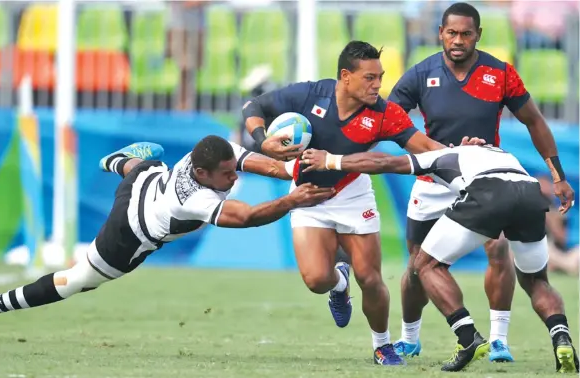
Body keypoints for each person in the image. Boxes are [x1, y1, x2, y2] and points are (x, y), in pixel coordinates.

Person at [242, 40, 482, 365]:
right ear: (345, 76)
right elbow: (252, 108)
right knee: (316, 280)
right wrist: (263, 142)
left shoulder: (382, 112)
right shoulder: (310, 94)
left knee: (369, 277)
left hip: (353, 194)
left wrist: (463, 154)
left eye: (380, 77)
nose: (378, 85)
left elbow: (424, 146)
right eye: (369, 78)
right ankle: (339, 285)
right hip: (308, 194)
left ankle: (382, 345)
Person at [387, 2, 576, 361]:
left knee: (499, 250)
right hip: (433, 181)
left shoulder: (501, 73)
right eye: (451, 33)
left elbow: (535, 121)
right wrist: (434, 152)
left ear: (478, 35)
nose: (458, 40)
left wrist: (557, 174)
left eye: (466, 34)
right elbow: (392, 121)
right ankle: (409, 337)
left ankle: (499, 340)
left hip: (485, 180)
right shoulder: (420, 73)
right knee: (416, 268)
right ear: (440, 33)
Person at [301, 144, 578, 373]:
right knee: (536, 280)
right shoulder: (498, 150)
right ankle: (561, 337)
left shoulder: (443, 155)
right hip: (529, 192)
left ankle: (468, 337)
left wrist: (334, 160)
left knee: (425, 264)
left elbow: (386, 162)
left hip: (489, 191)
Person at [0, 138, 333, 319]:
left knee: (146, 163)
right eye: (228, 174)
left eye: (234, 168)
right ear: (201, 174)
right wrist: (292, 201)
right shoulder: (194, 198)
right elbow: (246, 217)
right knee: (75, 281)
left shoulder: (209, 154)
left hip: (146, 179)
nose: (234, 177)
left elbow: (254, 162)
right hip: (128, 232)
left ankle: (118, 161)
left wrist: (291, 171)